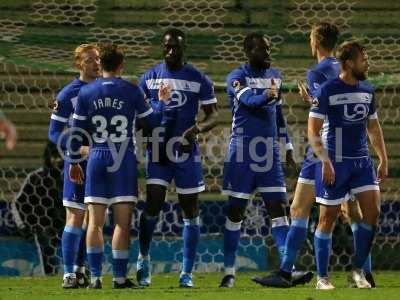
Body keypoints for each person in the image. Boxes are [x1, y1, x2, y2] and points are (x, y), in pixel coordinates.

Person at [251, 22, 376, 289]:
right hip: (352, 148)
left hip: (326, 149)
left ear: (315, 42)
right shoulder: (343, 69)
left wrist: (312, 103)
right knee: (351, 211)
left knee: (302, 209)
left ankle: (290, 273)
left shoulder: (317, 72)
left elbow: (324, 110)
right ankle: (365, 272)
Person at [218, 32, 309, 288]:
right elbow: (249, 101)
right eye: (262, 49)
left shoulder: (275, 76)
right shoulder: (236, 77)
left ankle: (287, 269)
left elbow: (277, 113)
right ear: (248, 52)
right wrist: (268, 96)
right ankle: (229, 272)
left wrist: (288, 145)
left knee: (280, 210)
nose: (268, 53)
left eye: (269, 48)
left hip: (270, 152)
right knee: (236, 212)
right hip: (243, 151)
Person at [69, 43, 159, 289]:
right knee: (122, 222)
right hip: (123, 158)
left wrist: (75, 161)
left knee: (94, 222)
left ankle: (96, 278)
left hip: (96, 156)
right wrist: (161, 103)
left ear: (101, 64)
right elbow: (151, 121)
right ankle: (119, 278)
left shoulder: (86, 92)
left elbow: (76, 134)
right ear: (121, 65)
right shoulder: (131, 89)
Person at [135, 28, 218, 288]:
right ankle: (143, 258)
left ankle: (187, 272)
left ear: (184, 49)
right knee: (153, 205)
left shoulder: (197, 78)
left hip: (185, 152)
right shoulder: (149, 78)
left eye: (176, 47)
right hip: (158, 151)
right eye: (167, 47)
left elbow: (213, 114)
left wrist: (199, 128)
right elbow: (139, 115)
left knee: (190, 209)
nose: (171, 51)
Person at [309, 41, 387, 289]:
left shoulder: (368, 89)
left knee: (372, 214)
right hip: (335, 161)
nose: (368, 62)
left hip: (362, 162)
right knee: (327, 219)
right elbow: (313, 130)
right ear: (349, 63)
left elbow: (373, 127)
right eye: (363, 58)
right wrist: (325, 162)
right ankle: (322, 278)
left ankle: (358, 272)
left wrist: (383, 158)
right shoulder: (327, 90)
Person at [48, 43, 100, 288]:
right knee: (76, 215)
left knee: (95, 218)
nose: (96, 63)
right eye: (90, 59)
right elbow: (54, 133)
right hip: (78, 161)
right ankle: (68, 274)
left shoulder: (106, 89)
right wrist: (74, 154)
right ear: (79, 63)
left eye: (98, 59)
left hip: (103, 162)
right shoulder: (68, 94)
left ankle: (81, 269)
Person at [11, 141, 64, 275]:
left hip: (67, 225)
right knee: (44, 236)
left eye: (60, 156)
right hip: (43, 228)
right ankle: (49, 274)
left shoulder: (71, 176)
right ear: (48, 157)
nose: (57, 160)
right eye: (54, 156)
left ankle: (79, 271)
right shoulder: (35, 177)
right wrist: (23, 227)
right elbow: (18, 204)